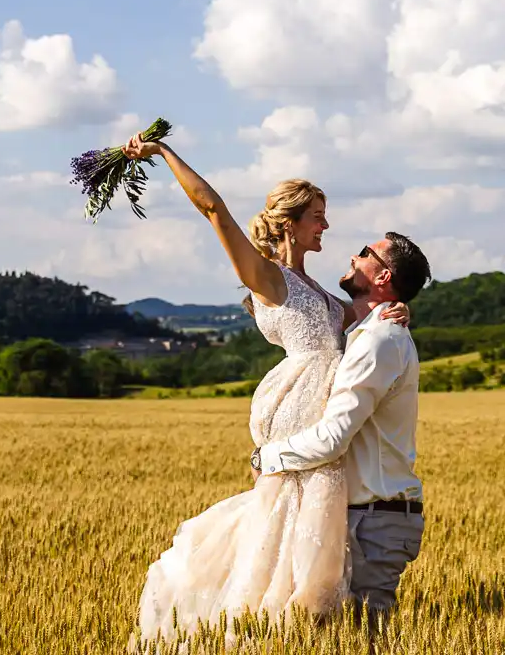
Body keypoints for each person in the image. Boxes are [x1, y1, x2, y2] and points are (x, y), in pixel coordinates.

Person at [121, 135, 409, 646]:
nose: (325, 225)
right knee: (288, 541)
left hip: (321, 425)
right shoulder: (268, 278)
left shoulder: (317, 289)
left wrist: (401, 312)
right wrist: (163, 154)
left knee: (310, 552)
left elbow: (365, 320)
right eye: (317, 215)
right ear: (290, 223)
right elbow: (213, 208)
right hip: (299, 413)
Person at [252, 230, 431, 630]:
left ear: (383, 277)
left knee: (359, 637)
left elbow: (333, 438)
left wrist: (265, 458)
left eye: (366, 253)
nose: (354, 256)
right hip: (362, 517)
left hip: (373, 521)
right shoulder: (365, 334)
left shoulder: (379, 341)